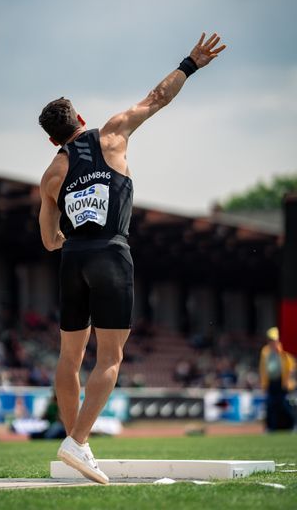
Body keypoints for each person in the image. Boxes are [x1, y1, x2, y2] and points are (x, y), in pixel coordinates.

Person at [38, 32, 226, 484]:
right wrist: (190, 62)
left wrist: (69, 231)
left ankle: (77, 448)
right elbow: (158, 98)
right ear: (81, 118)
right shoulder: (113, 133)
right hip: (111, 254)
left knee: (69, 358)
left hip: (73, 260)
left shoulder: (51, 174)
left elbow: (49, 241)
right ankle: (78, 443)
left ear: (52, 139)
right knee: (111, 358)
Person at [259, 326, 296, 432]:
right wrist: (264, 384)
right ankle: (271, 428)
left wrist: (289, 379)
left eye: (274, 340)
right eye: (270, 340)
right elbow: (262, 368)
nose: (272, 342)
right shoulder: (265, 351)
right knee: (270, 405)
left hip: (283, 383)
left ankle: (293, 425)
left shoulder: (283, 350)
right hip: (271, 382)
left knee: (285, 404)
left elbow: (291, 365)